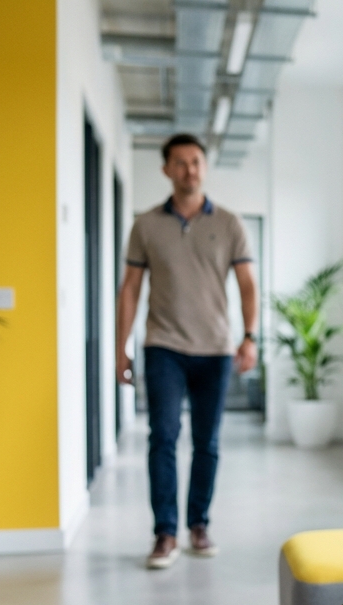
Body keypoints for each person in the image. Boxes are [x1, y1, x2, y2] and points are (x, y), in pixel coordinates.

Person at [115, 134, 259, 569]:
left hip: (215, 349)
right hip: (163, 347)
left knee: (207, 443)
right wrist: (121, 349)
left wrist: (250, 336)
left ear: (204, 167)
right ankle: (165, 533)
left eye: (195, 161)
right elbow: (131, 289)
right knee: (162, 438)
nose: (189, 169)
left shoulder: (230, 224)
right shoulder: (145, 225)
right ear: (166, 169)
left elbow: (248, 285)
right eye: (180, 163)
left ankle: (198, 523)